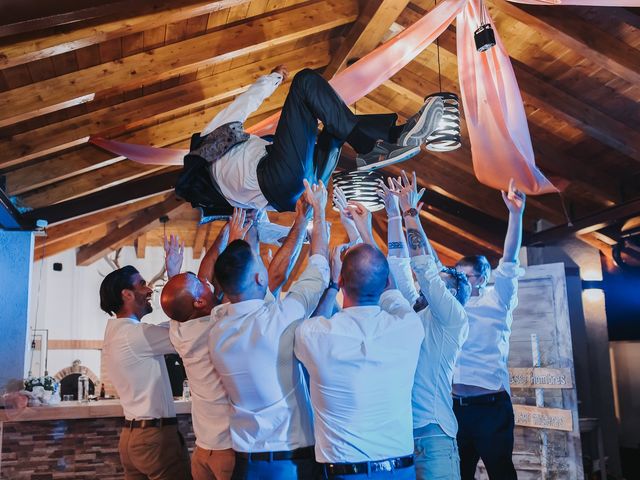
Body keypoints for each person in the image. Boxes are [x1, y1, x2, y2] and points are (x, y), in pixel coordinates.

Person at [176, 65, 444, 217]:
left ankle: (397, 136)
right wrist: (276, 78)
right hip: (276, 177)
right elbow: (245, 102)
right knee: (304, 82)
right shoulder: (212, 138)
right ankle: (372, 147)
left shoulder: (222, 190)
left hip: (301, 189)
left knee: (335, 128)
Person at [208, 180, 330, 479]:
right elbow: (319, 269)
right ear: (260, 280)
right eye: (261, 263)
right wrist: (319, 212)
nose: (267, 264)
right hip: (290, 463)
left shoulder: (216, 325)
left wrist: (300, 222)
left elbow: (266, 275)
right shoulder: (279, 319)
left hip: (245, 465)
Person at [294, 201, 424, 479]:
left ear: (340, 280)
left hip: (344, 472)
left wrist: (330, 284)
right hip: (399, 471)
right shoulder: (409, 327)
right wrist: (365, 232)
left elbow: (310, 322)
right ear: (385, 283)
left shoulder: (314, 334)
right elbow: (390, 286)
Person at [381, 171, 470, 480]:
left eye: (443, 287)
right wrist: (393, 215)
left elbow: (425, 271)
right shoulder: (418, 313)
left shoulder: (454, 318)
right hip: (402, 434)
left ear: (454, 294)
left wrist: (409, 212)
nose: (428, 287)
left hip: (434, 437)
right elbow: (399, 267)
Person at [159, 216, 252, 480]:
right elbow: (231, 277)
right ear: (200, 302)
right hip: (228, 451)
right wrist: (235, 240)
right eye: (201, 285)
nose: (206, 281)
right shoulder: (217, 325)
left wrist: (227, 228)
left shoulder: (179, 330)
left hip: (202, 451)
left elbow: (196, 282)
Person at [452, 179, 526, 480]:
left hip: (491, 408)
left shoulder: (497, 300)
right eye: (457, 275)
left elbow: (508, 260)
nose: (460, 280)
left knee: (500, 473)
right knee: (459, 474)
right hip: (456, 407)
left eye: (465, 276)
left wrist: (515, 215)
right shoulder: (449, 308)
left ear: (481, 278)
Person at [100, 266, 190, 480]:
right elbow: (185, 335)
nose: (150, 290)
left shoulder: (118, 332)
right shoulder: (135, 335)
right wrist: (175, 275)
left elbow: (166, 328)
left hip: (131, 437)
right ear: (127, 294)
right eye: (142, 284)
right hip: (154, 438)